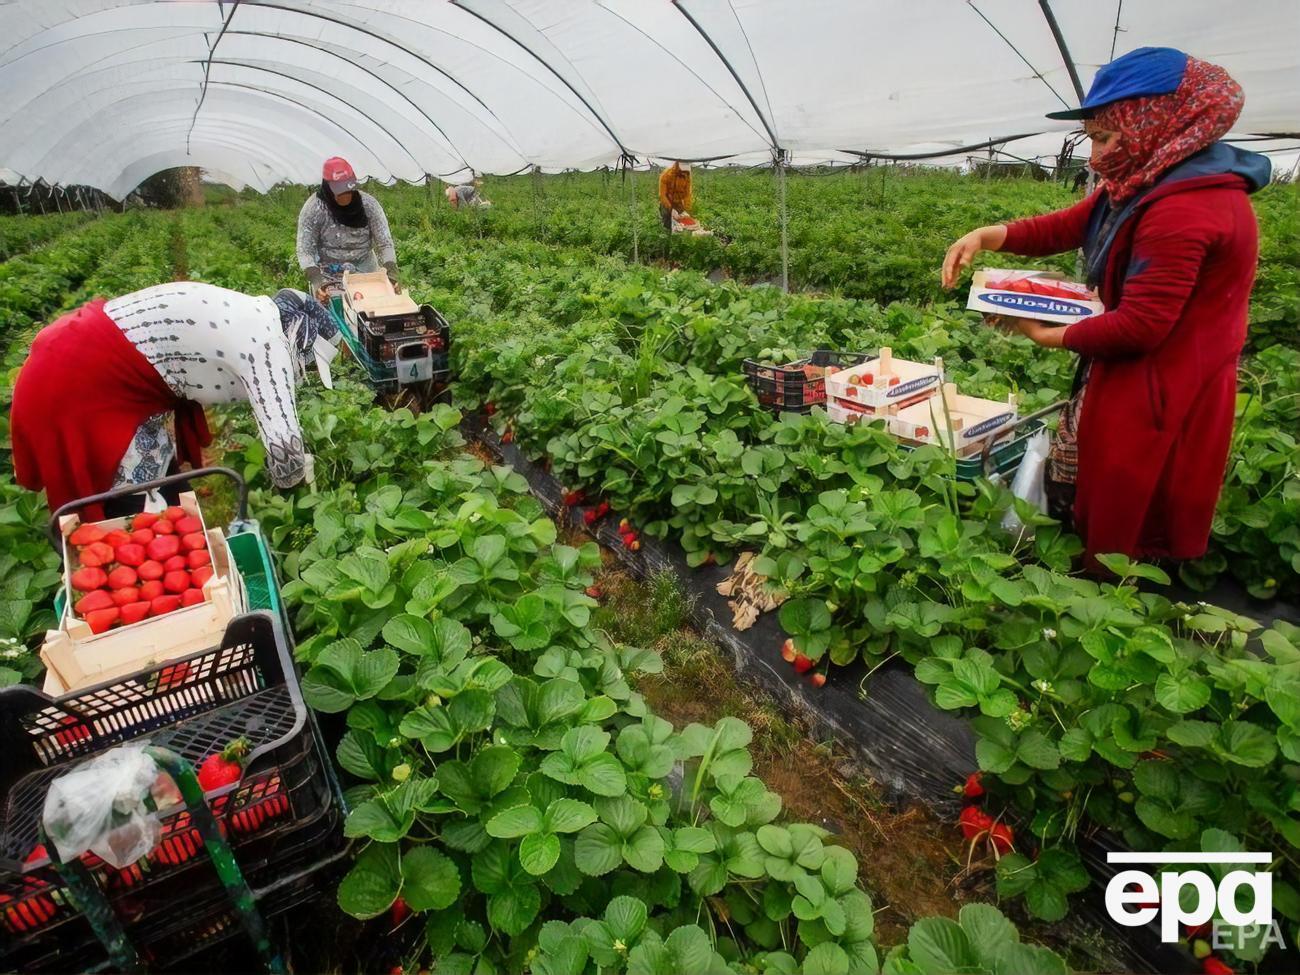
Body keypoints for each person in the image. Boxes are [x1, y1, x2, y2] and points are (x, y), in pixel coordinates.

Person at [942, 47, 1270, 570]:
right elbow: (1071, 223)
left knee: (1132, 493)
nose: (1095, 156)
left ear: (1156, 122)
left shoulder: (1186, 207)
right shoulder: (1148, 179)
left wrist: (1048, 334)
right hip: (1135, 367)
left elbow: (1140, 326)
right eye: (1092, 138)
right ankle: (1092, 566)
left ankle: (1113, 595)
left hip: (1166, 379)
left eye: (1104, 137)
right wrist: (989, 235)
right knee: (1100, 475)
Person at [11, 282, 340, 519]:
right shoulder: (268, 344)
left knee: (159, 468)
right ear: (299, 338)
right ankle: (139, 555)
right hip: (77, 376)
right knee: (130, 488)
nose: (305, 370)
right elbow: (284, 447)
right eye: (310, 361)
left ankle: (174, 532)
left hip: (84, 352)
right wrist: (302, 502)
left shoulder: (254, 313)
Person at [297, 156, 400, 300]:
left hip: (366, 273)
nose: (346, 196)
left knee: (373, 311)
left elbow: (385, 243)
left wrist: (391, 272)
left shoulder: (369, 206)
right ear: (327, 187)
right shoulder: (314, 209)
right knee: (333, 315)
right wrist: (316, 279)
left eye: (349, 190)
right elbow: (305, 250)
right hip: (329, 276)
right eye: (340, 191)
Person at [658, 161, 692, 231]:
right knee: (667, 222)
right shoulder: (666, 175)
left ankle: (680, 236)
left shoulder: (687, 176)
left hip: (678, 202)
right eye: (683, 170)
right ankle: (667, 235)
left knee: (682, 221)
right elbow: (662, 195)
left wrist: (686, 209)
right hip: (666, 201)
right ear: (677, 166)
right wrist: (671, 209)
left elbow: (687, 195)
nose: (684, 172)